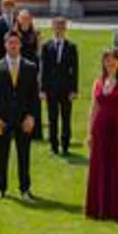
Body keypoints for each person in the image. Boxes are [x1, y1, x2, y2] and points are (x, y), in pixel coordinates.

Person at [85, 47, 118, 224]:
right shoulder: (98, 83)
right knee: (100, 167)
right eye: (107, 60)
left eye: (113, 60)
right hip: (100, 132)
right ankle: (100, 208)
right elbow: (93, 110)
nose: (110, 63)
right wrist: (89, 133)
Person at [0, 28, 38, 200]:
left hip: (23, 118)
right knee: (1, 155)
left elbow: (34, 96)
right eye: (10, 43)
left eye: (16, 43)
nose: (13, 46)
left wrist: (31, 117)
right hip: (3, 119)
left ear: (20, 45)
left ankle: (25, 189)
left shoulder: (30, 67)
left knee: (24, 156)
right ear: (5, 45)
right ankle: (1, 188)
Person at [39, 16, 79, 156]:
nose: (59, 30)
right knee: (52, 118)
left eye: (61, 27)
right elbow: (43, 69)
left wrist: (74, 89)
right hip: (51, 88)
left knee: (66, 118)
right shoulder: (46, 46)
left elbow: (75, 70)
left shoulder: (72, 47)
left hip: (66, 89)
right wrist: (42, 89)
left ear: (65, 29)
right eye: (56, 27)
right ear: (53, 28)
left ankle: (65, 144)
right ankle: (54, 145)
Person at [15, 8, 45, 142]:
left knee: (34, 101)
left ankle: (36, 132)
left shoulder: (36, 33)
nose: (25, 20)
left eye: (27, 18)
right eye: (22, 18)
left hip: (33, 70)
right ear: (18, 19)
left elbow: (39, 53)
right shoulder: (14, 34)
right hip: (18, 69)